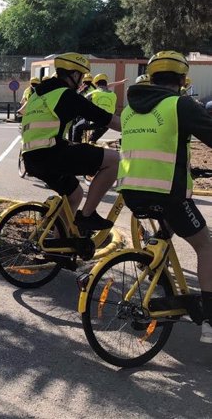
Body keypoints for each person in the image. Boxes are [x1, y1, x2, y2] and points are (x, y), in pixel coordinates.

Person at [117, 50, 212, 343]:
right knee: (205, 246)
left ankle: (158, 271)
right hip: (168, 193)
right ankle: (209, 318)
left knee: (167, 230)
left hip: (131, 191)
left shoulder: (129, 109)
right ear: (183, 80)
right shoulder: (180, 105)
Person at [20, 52, 121, 238]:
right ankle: (87, 216)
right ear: (74, 75)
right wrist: (136, 131)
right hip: (51, 155)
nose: (82, 82)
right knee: (115, 160)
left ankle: (57, 247)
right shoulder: (64, 95)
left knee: (74, 195)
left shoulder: (38, 94)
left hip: (31, 157)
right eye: (81, 77)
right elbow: (105, 118)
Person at [72, 73, 117, 143]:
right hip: (108, 123)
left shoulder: (92, 93)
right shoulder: (114, 95)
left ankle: (76, 147)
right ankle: (91, 142)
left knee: (77, 128)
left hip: (94, 121)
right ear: (106, 83)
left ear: (96, 84)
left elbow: (81, 103)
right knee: (92, 140)